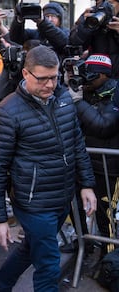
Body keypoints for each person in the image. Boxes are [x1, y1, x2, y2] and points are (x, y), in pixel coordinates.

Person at [0, 45, 97, 292]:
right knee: (48, 266)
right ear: (25, 74)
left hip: (62, 196)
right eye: (43, 78)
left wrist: (86, 184)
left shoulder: (64, 98)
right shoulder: (7, 111)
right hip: (33, 203)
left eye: (54, 77)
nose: (49, 84)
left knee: (30, 249)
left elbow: (76, 143)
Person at [67, 54, 119, 258]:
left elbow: (104, 126)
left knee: (105, 215)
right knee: (75, 207)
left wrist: (78, 103)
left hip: (108, 167)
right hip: (82, 162)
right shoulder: (82, 89)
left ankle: (110, 260)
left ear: (104, 75)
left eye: (92, 75)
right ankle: (84, 245)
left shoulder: (115, 91)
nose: (86, 78)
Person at [69, 0, 119, 79]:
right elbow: (74, 46)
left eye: (110, 4)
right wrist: (84, 26)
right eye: (101, 3)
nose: (105, 7)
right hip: (94, 77)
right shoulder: (92, 13)